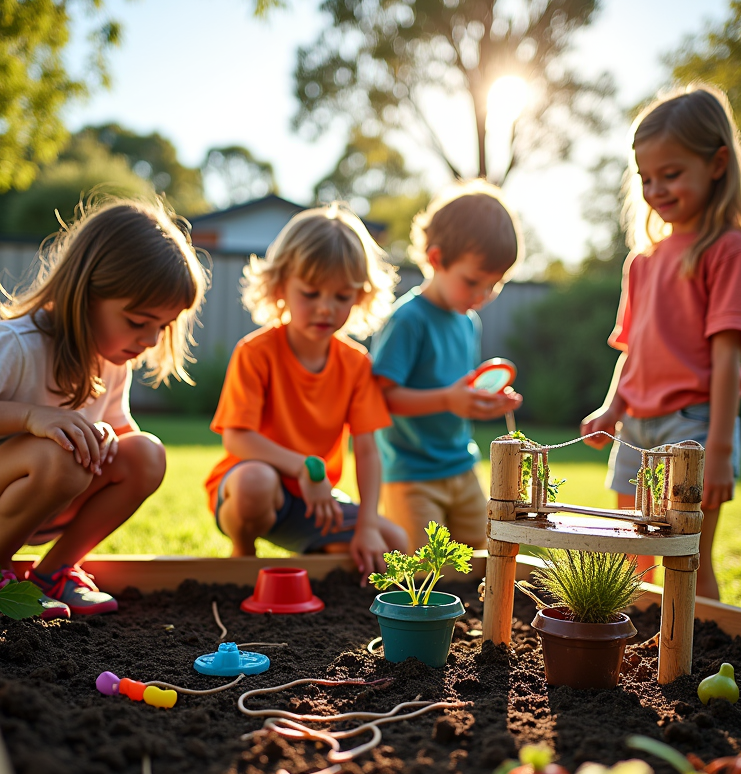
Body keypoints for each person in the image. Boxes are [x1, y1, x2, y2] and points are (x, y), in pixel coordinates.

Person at [0, 199, 207, 618]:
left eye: (162, 327)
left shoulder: (112, 360)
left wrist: (109, 438)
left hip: (42, 495)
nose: (150, 340)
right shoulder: (17, 343)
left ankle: (54, 573)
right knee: (59, 451)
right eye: (137, 321)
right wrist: (30, 416)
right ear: (85, 293)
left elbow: (122, 437)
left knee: (146, 452)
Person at [580, 85, 741, 600]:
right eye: (646, 178)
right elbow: (634, 350)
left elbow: (728, 356)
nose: (657, 189)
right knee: (629, 559)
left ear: (717, 164)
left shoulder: (728, 250)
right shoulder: (641, 262)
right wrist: (610, 407)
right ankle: (635, 658)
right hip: (636, 426)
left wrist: (721, 449)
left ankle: (699, 657)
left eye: (671, 174)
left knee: (688, 560)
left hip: (695, 427)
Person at [205, 204, 408, 577]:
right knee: (255, 482)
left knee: (395, 543)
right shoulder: (256, 352)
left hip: (313, 502)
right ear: (280, 286)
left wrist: (366, 526)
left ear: (360, 296)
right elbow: (237, 439)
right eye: (311, 293)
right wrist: (308, 469)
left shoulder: (356, 363)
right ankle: (243, 554)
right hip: (253, 491)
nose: (326, 309)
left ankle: (312, 560)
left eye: (342, 296)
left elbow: (366, 449)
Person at [369, 180, 523, 551]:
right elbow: (381, 399)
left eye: (495, 284)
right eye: (473, 282)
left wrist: (485, 401)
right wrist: (448, 401)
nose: (483, 296)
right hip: (411, 475)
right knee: (423, 570)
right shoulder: (408, 320)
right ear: (436, 259)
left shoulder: (468, 321)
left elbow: (461, 392)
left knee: (482, 558)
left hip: (461, 466)